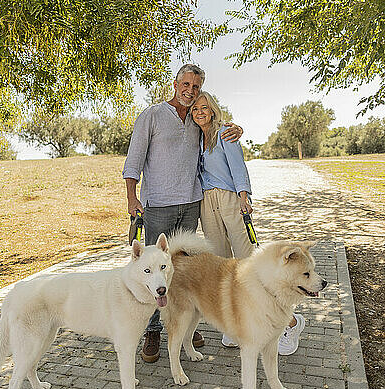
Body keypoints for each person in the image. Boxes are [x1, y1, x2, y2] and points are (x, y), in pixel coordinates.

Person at [122, 64, 243, 363]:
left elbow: (219, 130)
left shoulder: (197, 119)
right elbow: (133, 159)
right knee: (154, 268)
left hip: (191, 203)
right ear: (175, 84)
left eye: (196, 86)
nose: (190, 90)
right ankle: (152, 331)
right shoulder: (151, 115)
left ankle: (184, 325)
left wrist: (237, 129)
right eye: (186, 84)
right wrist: (131, 197)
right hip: (157, 206)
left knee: (181, 270)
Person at [191, 92, 305, 353]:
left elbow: (238, 168)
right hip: (206, 204)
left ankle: (290, 323)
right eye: (195, 108)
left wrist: (244, 197)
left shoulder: (225, 134)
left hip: (231, 199)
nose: (199, 111)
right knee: (221, 266)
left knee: (249, 265)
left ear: (213, 109)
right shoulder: (197, 137)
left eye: (204, 107)